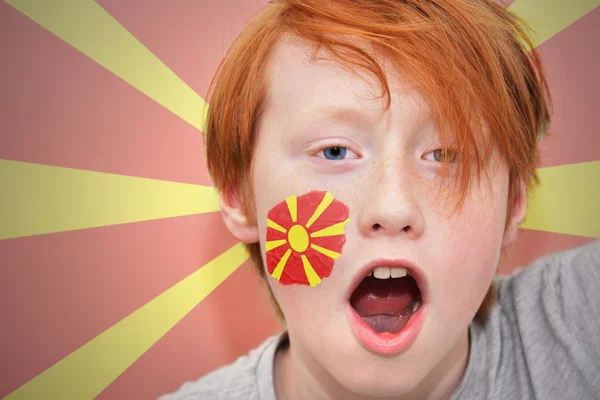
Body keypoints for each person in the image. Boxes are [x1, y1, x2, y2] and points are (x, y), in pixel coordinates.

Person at [160, 0, 600, 399]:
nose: (392, 208)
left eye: (445, 154)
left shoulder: (579, 324)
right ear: (240, 197)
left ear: (513, 203)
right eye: (334, 151)